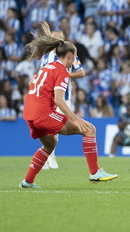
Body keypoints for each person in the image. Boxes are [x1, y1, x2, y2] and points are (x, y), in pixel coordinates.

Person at [19, 21, 117, 189]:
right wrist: (75, 118)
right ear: (70, 56)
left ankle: (27, 181)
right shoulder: (62, 71)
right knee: (89, 129)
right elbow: (58, 99)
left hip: (29, 115)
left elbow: (30, 85)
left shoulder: (47, 67)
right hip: (43, 114)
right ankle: (95, 172)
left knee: (50, 144)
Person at [40, 30, 85, 170]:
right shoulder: (46, 56)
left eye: (60, 38)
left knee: (57, 127)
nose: (57, 41)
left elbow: (81, 72)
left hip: (64, 97)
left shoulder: (69, 55)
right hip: (48, 97)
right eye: (55, 38)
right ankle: (48, 156)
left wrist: (64, 74)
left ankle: (48, 155)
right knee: (48, 127)